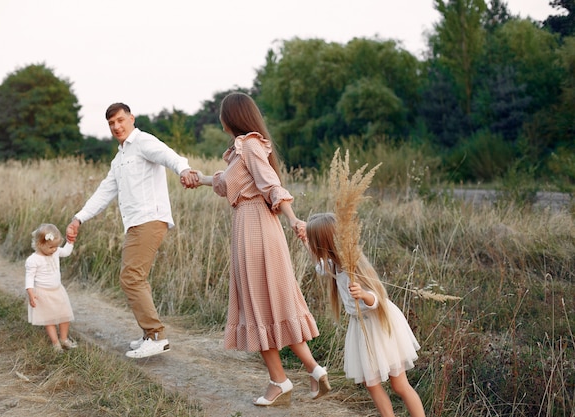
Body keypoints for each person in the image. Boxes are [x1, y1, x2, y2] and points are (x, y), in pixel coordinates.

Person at [190, 92, 330, 406]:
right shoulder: (241, 151)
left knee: (257, 305)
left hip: (255, 228)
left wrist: (295, 219)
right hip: (255, 226)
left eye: (222, 115)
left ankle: (279, 381)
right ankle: (315, 369)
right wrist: (196, 178)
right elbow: (227, 184)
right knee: (274, 304)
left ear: (231, 118)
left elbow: (271, 184)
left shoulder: (249, 145)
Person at [66, 102, 197, 359]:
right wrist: (78, 218)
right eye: (111, 123)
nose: (116, 126)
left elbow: (169, 156)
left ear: (131, 119)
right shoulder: (120, 159)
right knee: (134, 277)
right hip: (136, 223)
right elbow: (104, 192)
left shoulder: (143, 142)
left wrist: (184, 170)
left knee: (131, 277)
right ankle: (150, 335)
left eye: (120, 120)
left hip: (150, 219)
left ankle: (156, 335)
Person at [305, 212, 425, 417]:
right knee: (372, 384)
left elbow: (377, 298)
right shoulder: (333, 264)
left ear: (323, 243)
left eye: (313, 242)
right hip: (362, 327)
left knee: (399, 384)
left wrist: (363, 294)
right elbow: (320, 268)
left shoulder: (354, 264)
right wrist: (303, 237)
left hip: (379, 324)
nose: (312, 247)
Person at [25, 223, 78, 353]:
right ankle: (55, 343)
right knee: (50, 319)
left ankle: (64, 339)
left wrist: (70, 242)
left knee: (64, 315)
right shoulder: (33, 260)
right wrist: (30, 293)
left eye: (56, 246)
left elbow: (65, 252)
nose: (54, 250)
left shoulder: (55, 252)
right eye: (51, 247)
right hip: (43, 293)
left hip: (58, 290)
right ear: (39, 244)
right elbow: (29, 277)